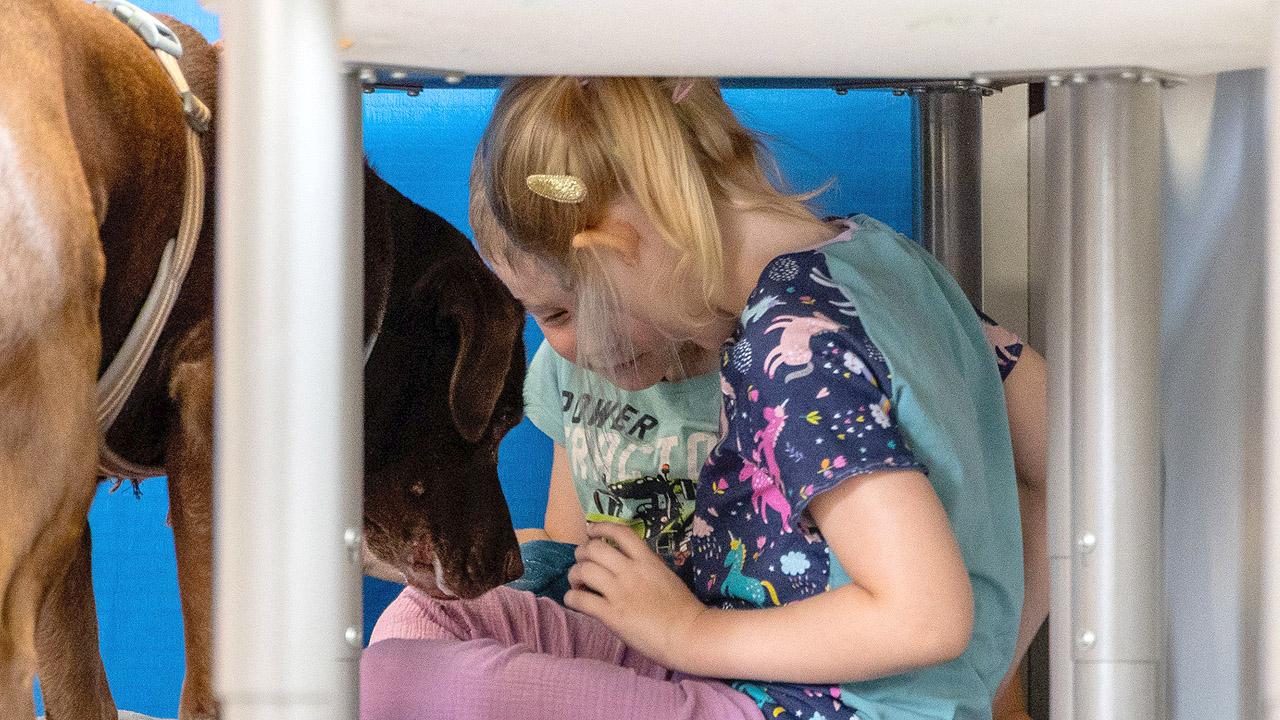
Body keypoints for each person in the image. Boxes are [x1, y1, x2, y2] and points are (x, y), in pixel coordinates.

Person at [362, 76, 1026, 720]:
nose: (592, 351)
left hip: (791, 698)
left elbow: (924, 619)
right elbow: (1050, 445)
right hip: (742, 660)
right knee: (429, 617)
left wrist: (689, 631)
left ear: (619, 246)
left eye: (583, 302)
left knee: (389, 683)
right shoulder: (881, 254)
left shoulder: (797, 349)